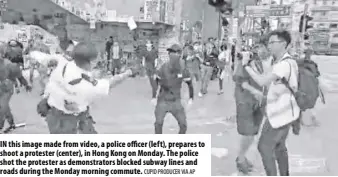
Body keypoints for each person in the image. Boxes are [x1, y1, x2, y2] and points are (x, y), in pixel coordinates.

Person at [38, 42, 139, 134]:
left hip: (53, 115)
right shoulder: (85, 86)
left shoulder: (61, 61)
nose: (97, 62)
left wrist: (46, 90)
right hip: (70, 121)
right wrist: (128, 73)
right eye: (95, 61)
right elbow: (109, 84)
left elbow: (42, 61)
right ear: (89, 62)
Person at [244, 30, 300, 176]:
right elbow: (269, 81)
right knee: (279, 147)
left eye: (272, 42)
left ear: (283, 44)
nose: (269, 46)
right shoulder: (286, 62)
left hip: (279, 116)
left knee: (264, 147)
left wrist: (246, 66)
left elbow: (263, 81)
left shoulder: (284, 65)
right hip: (287, 113)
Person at [232, 37, 272, 174]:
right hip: (245, 101)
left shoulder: (264, 62)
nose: (266, 51)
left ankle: (242, 156)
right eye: (264, 47)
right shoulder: (246, 61)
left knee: (254, 132)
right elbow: (240, 81)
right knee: (247, 132)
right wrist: (255, 91)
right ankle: (241, 159)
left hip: (259, 102)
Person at [153, 44, 193, 134]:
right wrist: (154, 96)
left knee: (183, 125)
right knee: (158, 123)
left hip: (176, 101)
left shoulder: (183, 69)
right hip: (163, 100)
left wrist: (191, 98)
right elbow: (156, 80)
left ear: (179, 54)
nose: (172, 55)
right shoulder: (163, 67)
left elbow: (190, 84)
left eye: (174, 53)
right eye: (170, 53)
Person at [0, 43, 31, 133]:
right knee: (4, 106)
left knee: (3, 106)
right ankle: (11, 123)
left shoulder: (8, 64)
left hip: (6, 88)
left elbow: (19, 76)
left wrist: (26, 85)